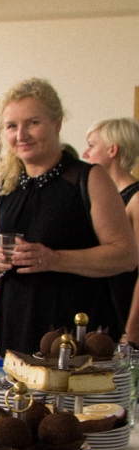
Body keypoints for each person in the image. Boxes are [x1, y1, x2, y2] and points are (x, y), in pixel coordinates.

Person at [0, 79, 137, 356]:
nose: (21, 134)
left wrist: (54, 259)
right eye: (12, 126)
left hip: (76, 328)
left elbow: (126, 256)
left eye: (33, 123)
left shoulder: (89, 179)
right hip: (16, 325)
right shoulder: (3, 188)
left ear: (57, 124)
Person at [83, 118, 139, 343]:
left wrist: (133, 328)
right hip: (103, 307)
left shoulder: (136, 199)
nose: (85, 153)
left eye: (91, 145)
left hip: (125, 312)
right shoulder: (104, 199)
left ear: (112, 149)